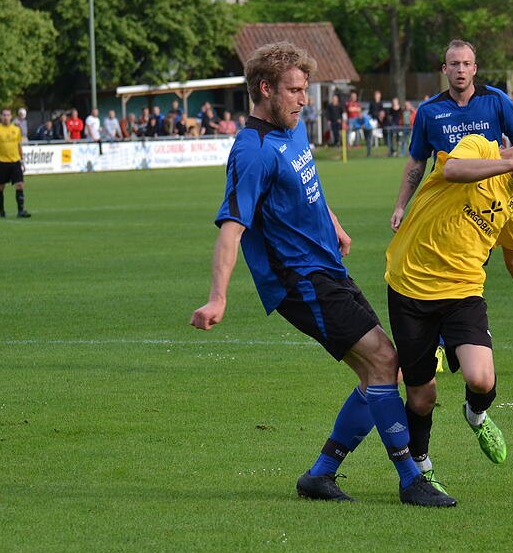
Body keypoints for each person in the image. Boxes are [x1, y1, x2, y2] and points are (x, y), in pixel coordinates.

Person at [189, 41, 446, 507]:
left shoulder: (293, 130)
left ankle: (321, 474)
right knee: (385, 361)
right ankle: (411, 479)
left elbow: (309, 186)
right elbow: (231, 229)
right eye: (294, 90)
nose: (303, 99)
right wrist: (218, 297)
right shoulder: (254, 151)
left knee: (379, 373)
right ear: (265, 89)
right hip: (300, 282)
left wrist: (335, 225)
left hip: (327, 267)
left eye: (304, 89)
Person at [385, 114, 513, 488]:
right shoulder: (479, 145)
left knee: (481, 377)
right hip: (410, 287)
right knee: (422, 396)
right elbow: (454, 170)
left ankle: (476, 415)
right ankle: (423, 470)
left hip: (463, 292)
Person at [390, 40, 513, 232]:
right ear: (445, 69)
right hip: (445, 200)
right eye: (454, 64)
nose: (460, 70)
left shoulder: (496, 99)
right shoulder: (428, 110)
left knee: (511, 254)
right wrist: (400, 206)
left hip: (489, 199)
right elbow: (417, 161)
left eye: (466, 64)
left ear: (475, 69)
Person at [0, 107, 30, 218]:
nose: (6, 117)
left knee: (20, 185)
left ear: (11, 116)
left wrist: (22, 160)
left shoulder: (16, 129)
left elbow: (19, 145)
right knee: (1, 187)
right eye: (4, 115)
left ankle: (21, 211)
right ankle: (2, 211)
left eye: (8, 115)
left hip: (15, 161)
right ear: (1, 116)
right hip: (2, 162)